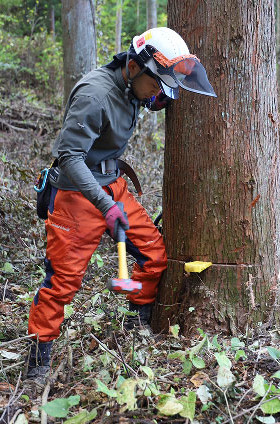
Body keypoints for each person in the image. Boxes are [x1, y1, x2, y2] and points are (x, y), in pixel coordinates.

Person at [25, 27, 217, 384]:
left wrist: (162, 95)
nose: (159, 93)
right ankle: (38, 358)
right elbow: (68, 156)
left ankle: (136, 322)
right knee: (62, 283)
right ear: (133, 66)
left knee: (154, 252)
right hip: (76, 196)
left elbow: (151, 96)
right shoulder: (94, 95)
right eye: (157, 85)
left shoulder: (138, 85)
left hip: (113, 185)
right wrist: (103, 205)